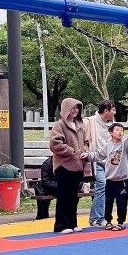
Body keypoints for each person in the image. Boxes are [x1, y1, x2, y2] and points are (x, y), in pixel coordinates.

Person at [83, 122, 128, 231]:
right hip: (110, 179)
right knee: (108, 202)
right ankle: (108, 221)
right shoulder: (108, 146)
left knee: (122, 202)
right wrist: (88, 155)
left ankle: (121, 222)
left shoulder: (124, 144)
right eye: (117, 130)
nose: (120, 132)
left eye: (122, 130)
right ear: (111, 133)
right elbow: (98, 155)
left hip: (122, 180)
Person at [49, 98, 88, 233]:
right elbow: (55, 144)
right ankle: (61, 225)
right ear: (66, 109)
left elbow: (86, 141)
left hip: (77, 165)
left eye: (77, 108)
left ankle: (72, 222)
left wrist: (84, 151)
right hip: (63, 166)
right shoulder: (59, 125)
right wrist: (72, 151)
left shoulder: (79, 125)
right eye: (73, 108)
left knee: (73, 196)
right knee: (64, 196)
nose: (76, 111)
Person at [84, 100, 117, 227]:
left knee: (102, 189)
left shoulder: (113, 124)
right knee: (102, 185)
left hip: (109, 162)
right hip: (95, 160)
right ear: (106, 111)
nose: (114, 112)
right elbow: (85, 140)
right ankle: (99, 218)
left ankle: (94, 218)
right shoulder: (90, 121)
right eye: (113, 110)